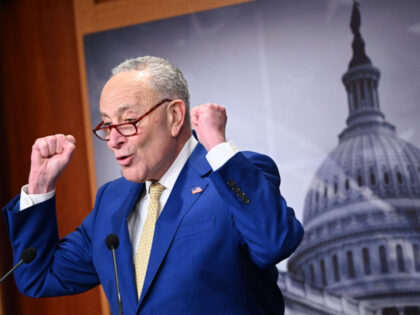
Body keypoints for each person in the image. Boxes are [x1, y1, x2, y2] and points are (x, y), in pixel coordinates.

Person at [2, 56, 303, 314]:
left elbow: (276, 243)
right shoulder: (112, 200)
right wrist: (40, 186)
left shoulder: (233, 176)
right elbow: (39, 276)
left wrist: (219, 149)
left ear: (174, 116)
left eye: (128, 121)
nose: (114, 140)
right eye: (107, 125)